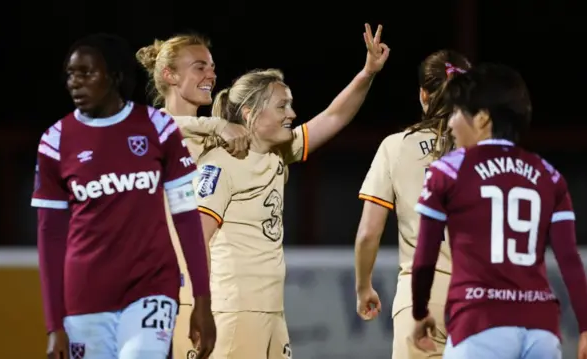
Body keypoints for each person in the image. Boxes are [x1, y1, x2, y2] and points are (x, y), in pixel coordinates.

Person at [193, 23, 389, 359]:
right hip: (236, 311)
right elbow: (198, 240)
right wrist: (202, 308)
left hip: (271, 311)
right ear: (251, 114)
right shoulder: (222, 163)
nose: (293, 114)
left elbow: (335, 116)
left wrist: (367, 72)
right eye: (282, 106)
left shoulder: (279, 152)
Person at [32, 33, 215, 359]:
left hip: (152, 287)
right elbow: (50, 237)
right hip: (85, 297)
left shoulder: (157, 127)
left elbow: (186, 216)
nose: (75, 82)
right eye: (71, 74)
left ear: (114, 76)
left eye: (87, 73)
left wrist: (202, 299)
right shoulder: (55, 141)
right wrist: (53, 325)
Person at [411, 63, 587, 359]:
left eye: (456, 113)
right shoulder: (549, 175)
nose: (450, 123)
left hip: (478, 326)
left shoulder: (448, 170)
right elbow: (569, 259)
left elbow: (425, 254)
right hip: (541, 331)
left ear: (481, 119)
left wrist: (420, 310)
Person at [136, 33, 250, 359]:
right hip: (152, 288)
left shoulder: (216, 141)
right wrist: (215, 124)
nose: (211, 75)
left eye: (212, 67)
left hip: (206, 288)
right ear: (170, 75)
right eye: (199, 67)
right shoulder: (148, 131)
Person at [354, 50, 470, 359]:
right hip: (480, 300)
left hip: (421, 300)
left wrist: (363, 286)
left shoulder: (395, 146)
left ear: (423, 94)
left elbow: (368, 233)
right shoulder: (488, 152)